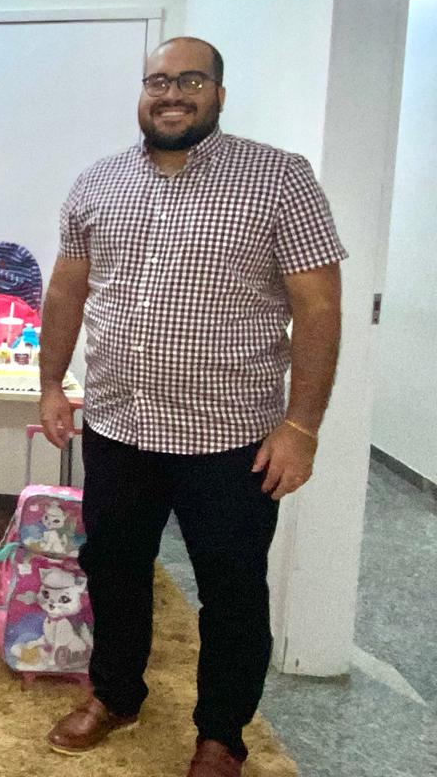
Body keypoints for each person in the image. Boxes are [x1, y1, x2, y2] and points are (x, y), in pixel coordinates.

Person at [37, 38, 345, 777]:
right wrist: (51, 384)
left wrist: (301, 427)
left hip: (231, 440)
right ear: (142, 92)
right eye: (158, 81)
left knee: (233, 591)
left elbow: (321, 307)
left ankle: (222, 735)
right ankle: (115, 695)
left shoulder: (280, 179)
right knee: (113, 569)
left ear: (219, 93)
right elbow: (66, 291)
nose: (172, 94)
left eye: (190, 81)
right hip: (117, 427)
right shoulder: (96, 183)